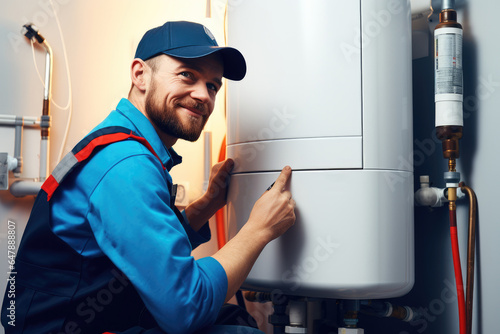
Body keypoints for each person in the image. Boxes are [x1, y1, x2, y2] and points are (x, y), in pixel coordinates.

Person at [1, 21, 296, 334]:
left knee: (230, 318)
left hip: (70, 319)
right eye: (188, 75)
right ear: (140, 75)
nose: (203, 96)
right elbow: (186, 310)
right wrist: (259, 230)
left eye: (212, 85)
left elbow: (137, 247)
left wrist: (207, 205)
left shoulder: (122, 145)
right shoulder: (128, 166)